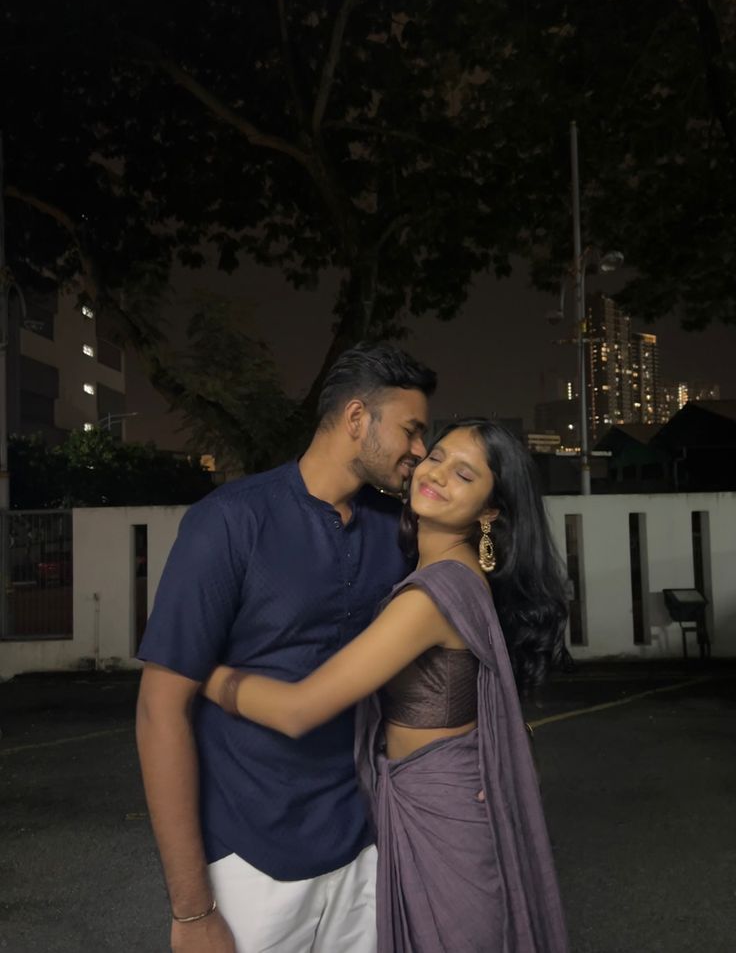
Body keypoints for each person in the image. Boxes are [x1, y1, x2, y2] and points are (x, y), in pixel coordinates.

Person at [203, 419, 570, 952]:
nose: (437, 474)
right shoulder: (459, 572)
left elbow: (300, 709)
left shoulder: (432, 595)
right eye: (437, 456)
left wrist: (201, 674)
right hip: (439, 795)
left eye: (464, 474)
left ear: (490, 511)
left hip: (443, 813)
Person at [135, 343, 437, 953]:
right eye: (411, 430)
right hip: (250, 860)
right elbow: (158, 710)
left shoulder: (397, 530)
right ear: (357, 420)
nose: (420, 451)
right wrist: (192, 913)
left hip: (364, 849)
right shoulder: (228, 522)